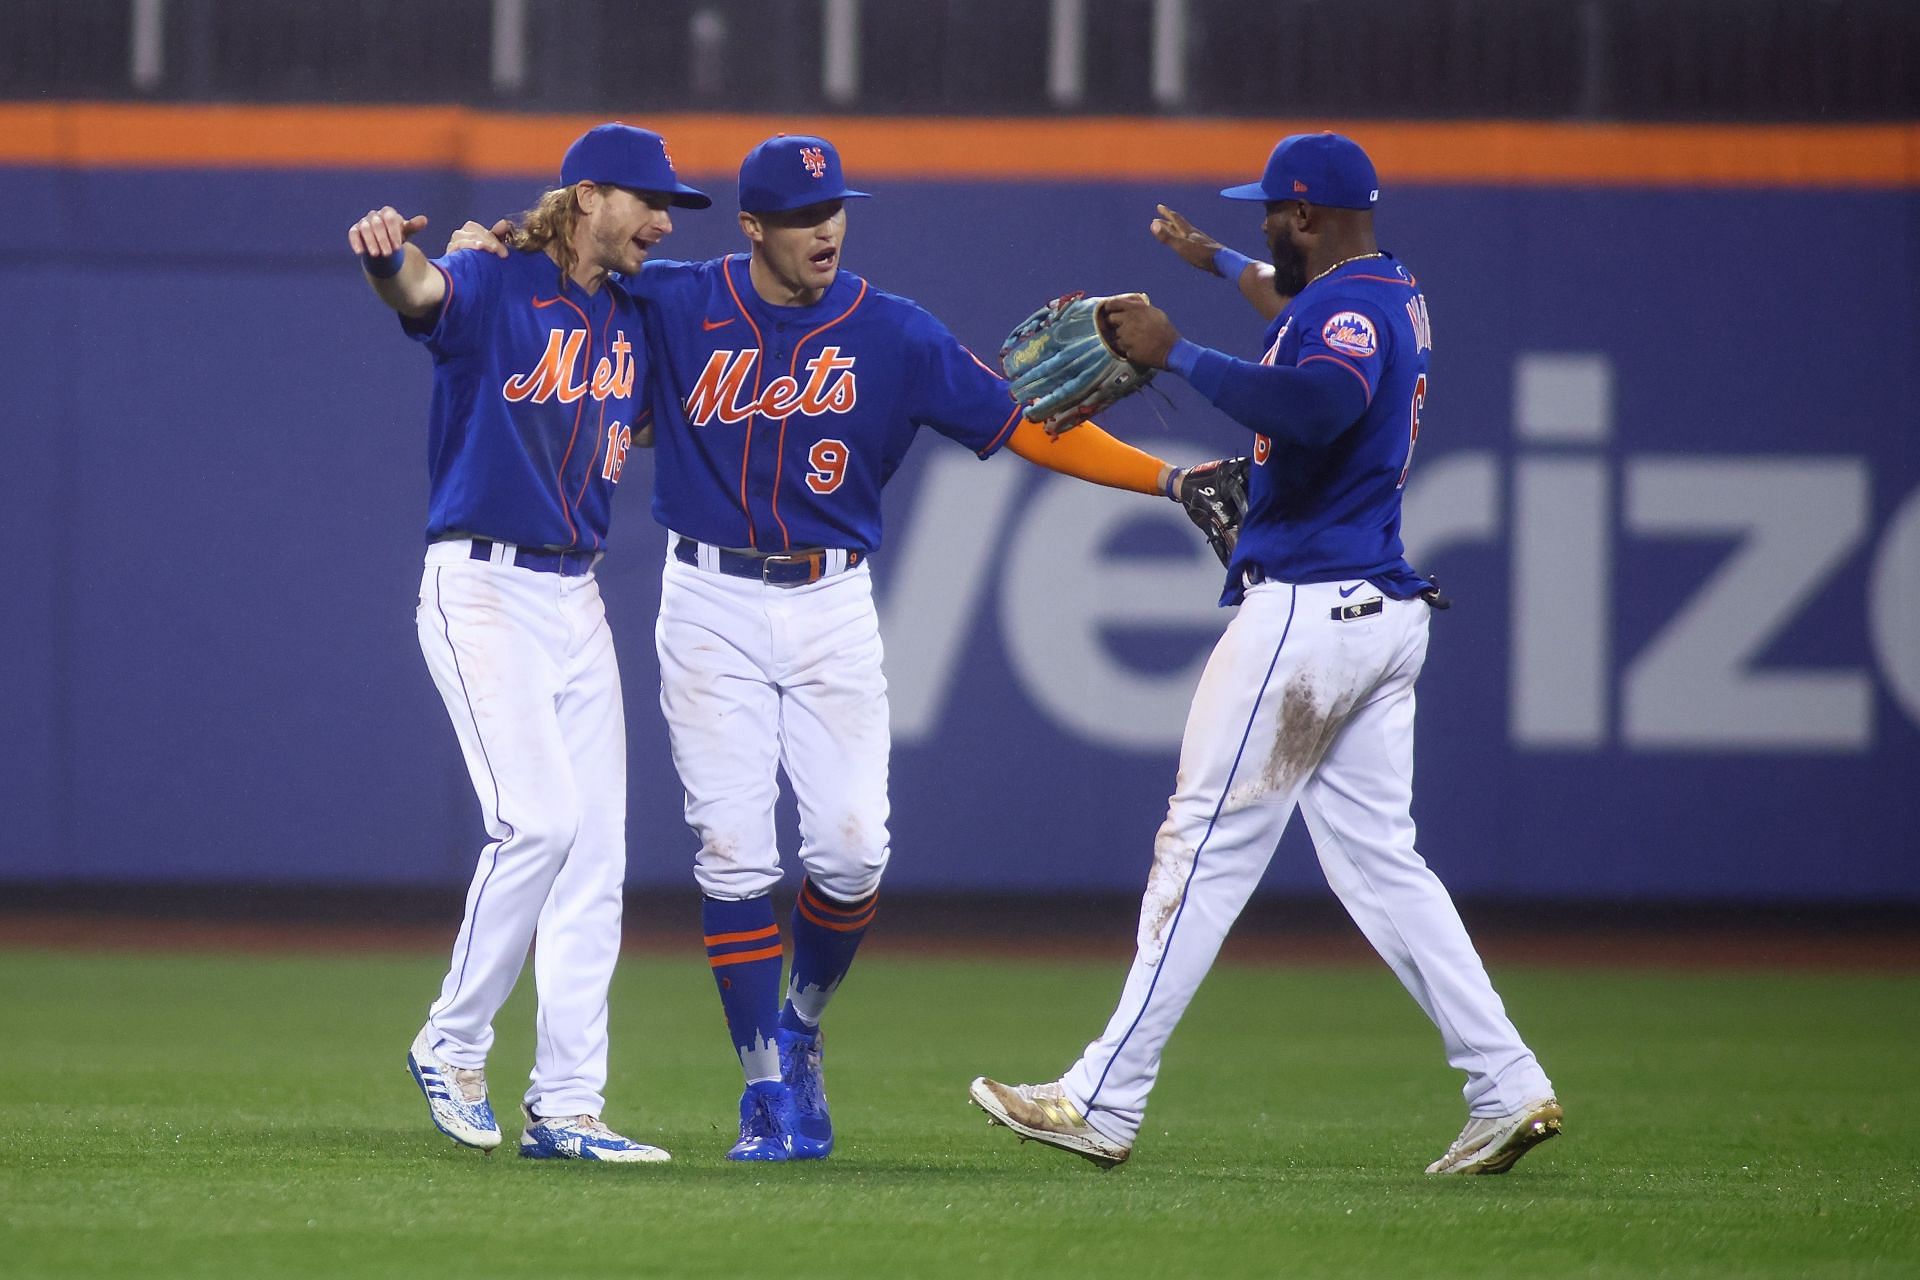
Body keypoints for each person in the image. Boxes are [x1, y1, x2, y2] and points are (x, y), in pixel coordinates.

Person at [447, 133, 1202, 1162]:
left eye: (836, 209)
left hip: (832, 605)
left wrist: (1167, 479)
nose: (826, 229)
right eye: (803, 215)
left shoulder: (891, 330)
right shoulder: (671, 300)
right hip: (707, 600)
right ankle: (767, 1091)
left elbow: (1026, 424)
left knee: (852, 852)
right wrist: (480, 251)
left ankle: (799, 1022)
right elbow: (560, 277)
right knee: (734, 856)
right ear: (753, 225)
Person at [968, 132, 1564, 1175]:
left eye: (1267, 221)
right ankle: (1506, 1079)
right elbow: (1303, 331)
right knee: (1385, 865)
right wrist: (1211, 267)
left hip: (1307, 617)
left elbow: (1322, 400)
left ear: (1305, 218)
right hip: (1376, 612)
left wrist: (1177, 353)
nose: (1262, 236)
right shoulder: (1388, 290)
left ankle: (1104, 1096)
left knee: (1201, 845)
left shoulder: (1346, 310)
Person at [348, 122, 711, 1162]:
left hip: (576, 595)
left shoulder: (632, 312)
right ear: (588, 195)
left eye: (669, 209)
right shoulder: (495, 278)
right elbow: (421, 294)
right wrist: (388, 254)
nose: (659, 222)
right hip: (482, 587)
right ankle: (450, 1040)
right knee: (539, 822)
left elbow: (635, 422)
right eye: (648, 201)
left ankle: (567, 1105)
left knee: (596, 855)